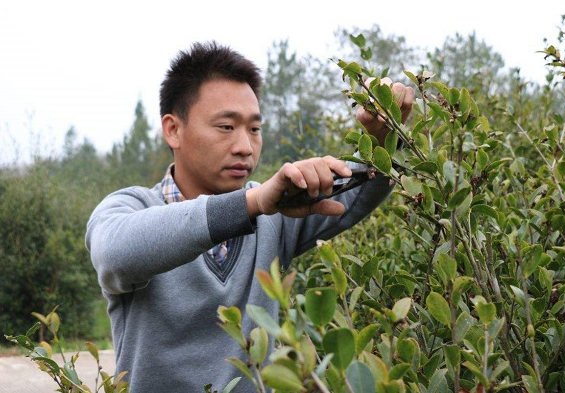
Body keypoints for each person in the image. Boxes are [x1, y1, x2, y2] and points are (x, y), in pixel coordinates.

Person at [85, 40, 414, 392]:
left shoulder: (274, 212)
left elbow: (363, 187)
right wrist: (252, 203)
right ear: (173, 129)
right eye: (226, 127)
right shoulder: (130, 207)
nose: (244, 146)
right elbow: (116, 254)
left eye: (254, 129)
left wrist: (384, 139)